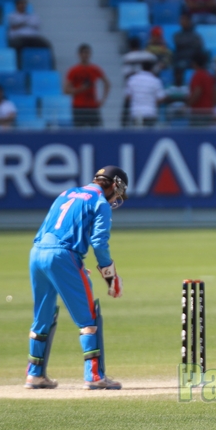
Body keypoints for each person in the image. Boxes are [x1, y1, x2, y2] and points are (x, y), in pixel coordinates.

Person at [24, 165, 128, 391]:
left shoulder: (67, 193)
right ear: (114, 184)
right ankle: (94, 376)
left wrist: (68, 267)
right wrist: (111, 279)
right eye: (118, 192)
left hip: (38, 252)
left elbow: (52, 227)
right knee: (89, 318)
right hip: (63, 256)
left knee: (43, 315)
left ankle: (34, 374)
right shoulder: (100, 203)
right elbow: (99, 243)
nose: (116, 198)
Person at [65, 44, 110, 128]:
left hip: (92, 106)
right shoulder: (73, 70)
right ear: (79, 55)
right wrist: (80, 89)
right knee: (79, 133)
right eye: (83, 53)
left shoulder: (95, 69)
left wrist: (103, 99)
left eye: (87, 53)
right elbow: (66, 90)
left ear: (90, 54)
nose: (85, 55)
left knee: (96, 131)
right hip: (78, 106)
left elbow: (107, 83)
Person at [125, 61, 166, 125]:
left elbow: (128, 97)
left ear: (142, 67)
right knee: (149, 134)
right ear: (151, 69)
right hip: (150, 112)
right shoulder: (155, 80)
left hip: (135, 112)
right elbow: (162, 98)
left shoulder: (132, 79)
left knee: (137, 134)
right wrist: (152, 102)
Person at [187, 53, 216, 124]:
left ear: (194, 63)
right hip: (209, 110)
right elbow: (214, 93)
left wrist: (188, 104)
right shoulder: (209, 75)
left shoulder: (198, 75)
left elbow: (197, 92)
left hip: (199, 112)